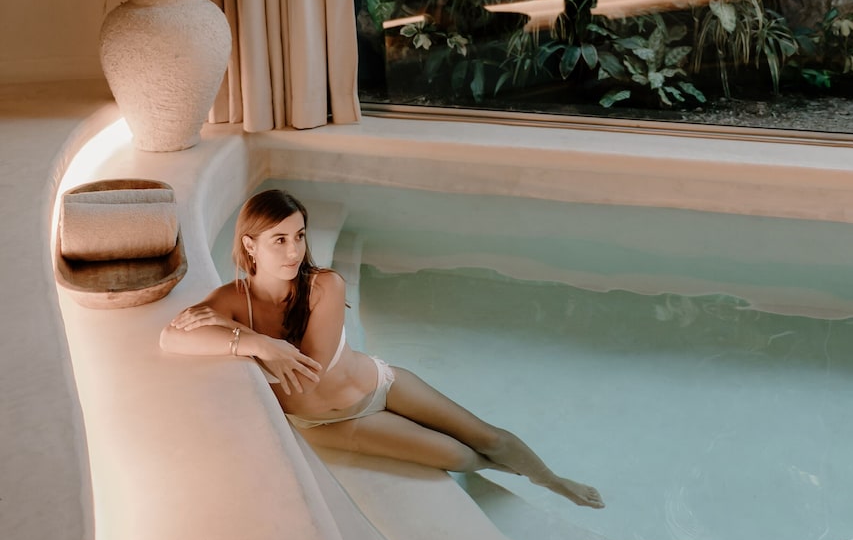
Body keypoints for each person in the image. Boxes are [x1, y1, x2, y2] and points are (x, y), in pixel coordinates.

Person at [160, 189, 604, 509]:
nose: (294, 250)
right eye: (280, 239)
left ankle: (552, 481)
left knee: (489, 437)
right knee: (458, 457)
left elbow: (311, 370)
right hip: (325, 422)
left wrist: (242, 337)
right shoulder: (231, 301)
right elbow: (171, 337)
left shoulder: (324, 285)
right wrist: (250, 338)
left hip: (380, 386)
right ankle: (503, 469)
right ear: (249, 245)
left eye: (300, 236)